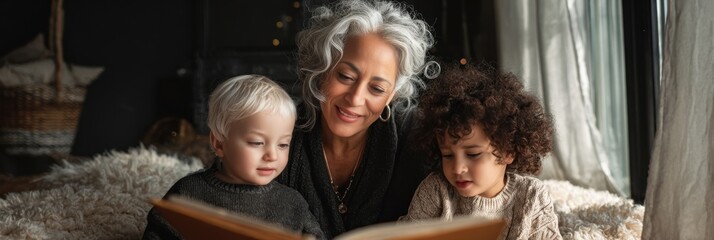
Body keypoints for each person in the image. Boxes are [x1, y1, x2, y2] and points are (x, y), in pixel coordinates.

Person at [276, 0, 435, 238]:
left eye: (377, 89)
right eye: (346, 76)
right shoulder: (279, 130)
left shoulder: (415, 137)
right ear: (323, 69)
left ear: (392, 95)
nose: (356, 98)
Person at [142, 75, 324, 239]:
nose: (272, 155)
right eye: (257, 143)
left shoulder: (292, 203)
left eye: (283, 144)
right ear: (219, 143)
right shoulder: (188, 192)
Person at [399, 63, 563, 239]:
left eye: (473, 154)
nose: (458, 168)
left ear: (508, 152)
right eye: (448, 155)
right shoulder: (435, 190)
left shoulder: (531, 195)